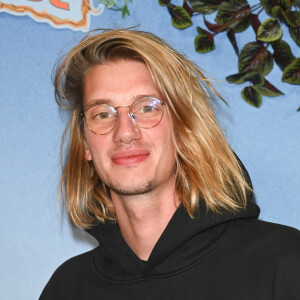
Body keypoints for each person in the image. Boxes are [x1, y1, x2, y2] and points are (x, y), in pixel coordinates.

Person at [40, 29, 300, 299]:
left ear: (184, 127)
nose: (125, 132)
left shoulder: (282, 263)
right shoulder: (67, 288)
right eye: (102, 114)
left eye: (147, 108)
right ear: (85, 143)